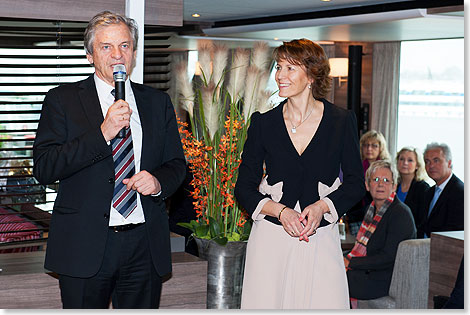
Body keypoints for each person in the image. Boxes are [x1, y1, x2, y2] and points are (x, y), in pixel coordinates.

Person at [33, 11, 186, 308]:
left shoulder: (157, 102)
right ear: (90, 55)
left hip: (144, 244)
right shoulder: (62, 100)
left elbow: (177, 165)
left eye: (125, 46)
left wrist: (157, 182)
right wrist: (102, 133)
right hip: (84, 245)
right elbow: (44, 167)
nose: (118, 55)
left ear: (134, 52)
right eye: (106, 47)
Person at [234, 38, 365, 309]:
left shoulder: (342, 121)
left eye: (289, 69)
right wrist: (281, 212)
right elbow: (244, 187)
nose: (280, 76)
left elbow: (355, 183)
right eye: (278, 67)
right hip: (271, 241)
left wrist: (322, 207)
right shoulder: (263, 123)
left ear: (311, 75)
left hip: (320, 237)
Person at [344, 160, 416, 304]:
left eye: (386, 180)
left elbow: (388, 257)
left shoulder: (400, 213)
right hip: (369, 272)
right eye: (375, 179)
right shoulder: (371, 211)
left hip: (384, 279)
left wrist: (350, 261)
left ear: (394, 186)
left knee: (331, 277)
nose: (381, 184)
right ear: (367, 185)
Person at [346, 130, 390, 236]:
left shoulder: (386, 169)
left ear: (381, 148)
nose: (369, 149)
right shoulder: (356, 167)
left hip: (379, 216)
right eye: (366, 145)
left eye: (374, 146)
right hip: (356, 217)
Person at [417, 143, 463, 238]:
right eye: (427, 162)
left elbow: (456, 232)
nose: (431, 166)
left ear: (449, 163)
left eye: (436, 160)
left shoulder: (461, 192)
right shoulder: (429, 192)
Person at [395, 146, 430, 227]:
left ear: (417, 165)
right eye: (402, 159)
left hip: (412, 235)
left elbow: (422, 220)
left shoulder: (423, 188)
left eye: (410, 160)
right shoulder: (393, 185)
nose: (405, 163)